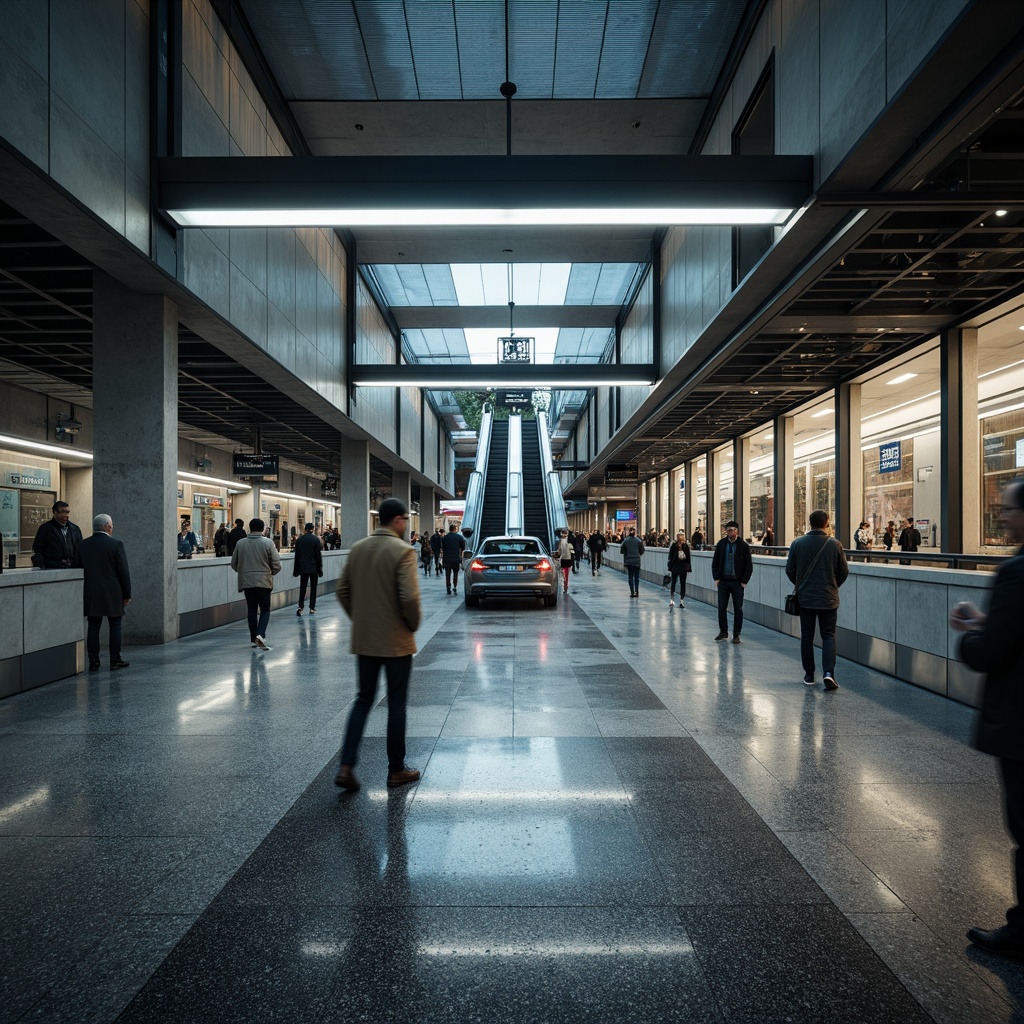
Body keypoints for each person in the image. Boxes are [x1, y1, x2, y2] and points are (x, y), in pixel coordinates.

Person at [951, 479, 1024, 960]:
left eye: (1007, 508)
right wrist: (988, 620)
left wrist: (968, 637)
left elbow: (993, 652)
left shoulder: (1017, 572)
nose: (1000, 515)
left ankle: (1023, 931)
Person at [335, 497, 421, 792]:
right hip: (396, 641)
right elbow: (409, 598)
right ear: (397, 520)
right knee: (396, 705)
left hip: (365, 640)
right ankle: (396, 770)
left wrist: (359, 620)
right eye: (405, 520)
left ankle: (346, 766)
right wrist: (412, 625)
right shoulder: (403, 551)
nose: (406, 525)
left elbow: (342, 590)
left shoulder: (359, 548)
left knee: (363, 700)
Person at [786, 509, 848, 690]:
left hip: (805, 599)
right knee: (828, 635)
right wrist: (832, 585)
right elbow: (843, 572)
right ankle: (829, 673)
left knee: (807, 636)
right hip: (828, 598)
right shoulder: (835, 544)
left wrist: (800, 585)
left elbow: (790, 570)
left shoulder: (797, 543)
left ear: (809, 523)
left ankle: (809, 675)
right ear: (827, 523)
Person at [73, 513, 131, 671]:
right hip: (113, 592)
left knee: (93, 626)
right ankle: (115, 660)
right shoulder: (116, 544)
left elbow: (77, 569)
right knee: (115, 625)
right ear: (108, 527)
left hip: (91, 592)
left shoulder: (82, 545)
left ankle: (93, 662)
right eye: (111, 525)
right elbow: (123, 572)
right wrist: (127, 594)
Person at [231, 517, 282, 650]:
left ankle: (253, 639)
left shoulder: (240, 543)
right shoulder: (268, 543)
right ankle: (260, 635)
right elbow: (276, 563)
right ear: (263, 528)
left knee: (252, 610)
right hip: (264, 581)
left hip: (247, 582)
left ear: (250, 527)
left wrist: (244, 572)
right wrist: (271, 572)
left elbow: (234, 563)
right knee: (265, 609)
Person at [711, 520, 753, 643]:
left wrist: (744, 581)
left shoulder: (743, 546)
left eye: (733, 530)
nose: (730, 532)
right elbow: (715, 563)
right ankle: (723, 631)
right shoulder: (721, 544)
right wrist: (716, 578)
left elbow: (748, 566)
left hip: (737, 582)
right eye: (728, 530)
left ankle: (736, 634)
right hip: (723, 581)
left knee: (738, 609)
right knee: (721, 607)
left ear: (737, 531)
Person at [31, 500, 83, 569]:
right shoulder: (45, 528)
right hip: (52, 566)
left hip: (72, 567)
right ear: (54, 512)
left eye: (67, 512)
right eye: (62, 512)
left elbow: (80, 548)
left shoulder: (75, 529)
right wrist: (41, 566)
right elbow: (37, 549)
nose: (66, 515)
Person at [293, 522, 323, 616]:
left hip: (303, 568)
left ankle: (300, 606)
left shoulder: (299, 540)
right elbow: (318, 556)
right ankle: (312, 607)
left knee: (303, 587)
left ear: (305, 529)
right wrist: (319, 569)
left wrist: (296, 570)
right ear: (313, 529)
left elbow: (297, 556)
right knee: (313, 588)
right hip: (313, 567)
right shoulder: (316, 540)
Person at [667, 531, 691, 608]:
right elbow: (688, 559)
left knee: (676, 582)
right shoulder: (683, 546)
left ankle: (675, 599)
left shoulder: (677, 546)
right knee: (680, 583)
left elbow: (670, 557)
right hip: (680, 566)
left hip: (678, 566)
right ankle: (680, 600)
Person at [441, 523, 466, 595]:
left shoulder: (444, 538)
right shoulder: (459, 537)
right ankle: (455, 586)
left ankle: (448, 586)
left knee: (447, 574)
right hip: (455, 559)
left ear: (449, 529)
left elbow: (442, 548)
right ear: (455, 529)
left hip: (447, 559)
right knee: (455, 574)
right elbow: (463, 548)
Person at [620, 527, 645, 598]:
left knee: (630, 577)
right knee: (637, 577)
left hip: (628, 561)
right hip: (637, 561)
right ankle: (637, 591)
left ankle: (632, 591)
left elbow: (622, 551)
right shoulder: (639, 541)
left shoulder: (625, 541)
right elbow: (642, 551)